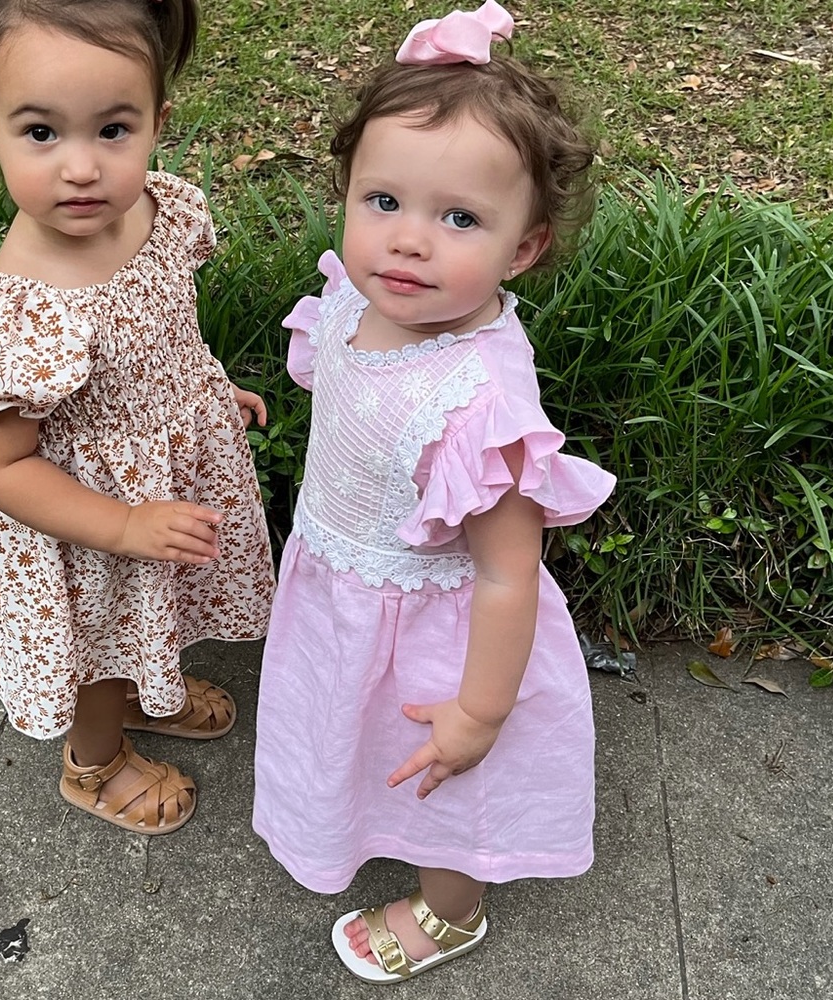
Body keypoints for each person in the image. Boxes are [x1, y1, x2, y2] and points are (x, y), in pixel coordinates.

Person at [251, 0, 617, 982]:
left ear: (524, 247)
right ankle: (362, 819)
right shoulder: (351, 301)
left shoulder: (478, 404)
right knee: (353, 735)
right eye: (383, 201)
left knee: (447, 781)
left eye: (459, 218)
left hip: (441, 638)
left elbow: (507, 572)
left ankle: (451, 910)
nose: (408, 241)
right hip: (344, 590)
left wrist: (479, 712)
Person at [0, 0, 275, 835]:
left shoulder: (160, 212)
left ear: (158, 120)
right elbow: (1, 468)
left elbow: (166, 333)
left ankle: (148, 687)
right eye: (41, 133)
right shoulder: (16, 318)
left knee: (154, 611)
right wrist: (122, 525)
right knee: (102, 642)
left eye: (113, 129)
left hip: (160, 480)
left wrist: (203, 389)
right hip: (83, 528)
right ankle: (96, 761)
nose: (81, 168)